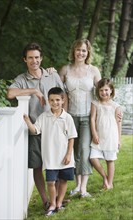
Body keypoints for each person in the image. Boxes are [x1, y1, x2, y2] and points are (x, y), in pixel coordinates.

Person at [7, 43, 65, 210]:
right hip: (35, 129)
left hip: (55, 127)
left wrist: (64, 118)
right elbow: (10, 93)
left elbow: (63, 96)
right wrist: (32, 90)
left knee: (58, 163)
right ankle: (46, 201)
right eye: (30, 58)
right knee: (38, 165)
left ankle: (57, 200)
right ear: (25, 59)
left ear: (41, 58)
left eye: (37, 57)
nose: (34, 61)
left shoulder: (52, 75)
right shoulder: (22, 79)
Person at [23, 87, 77, 216]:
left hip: (65, 156)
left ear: (63, 100)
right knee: (51, 182)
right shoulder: (44, 116)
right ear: (48, 101)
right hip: (50, 157)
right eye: (52, 100)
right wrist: (27, 121)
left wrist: (69, 154)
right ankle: (52, 203)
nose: (55, 103)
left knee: (63, 180)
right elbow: (35, 130)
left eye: (58, 100)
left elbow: (71, 137)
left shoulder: (67, 117)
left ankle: (59, 203)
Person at [59, 38, 101, 198]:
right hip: (70, 117)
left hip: (87, 117)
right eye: (78, 50)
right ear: (73, 51)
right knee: (74, 151)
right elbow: (55, 88)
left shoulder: (93, 71)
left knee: (84, 149)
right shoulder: (65, 69)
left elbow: (102, 91)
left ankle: (84, 188)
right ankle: (77, 186)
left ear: (87, 52)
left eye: (84, 50)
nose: (81, 53)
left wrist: (113, 107)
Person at [90, 78, 122, 190]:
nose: (104, 92)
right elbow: (92, 119)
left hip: (111, 137)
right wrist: (94, 134)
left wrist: (119, 139)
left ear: (111, 90)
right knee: (93, 157)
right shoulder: (95, 104)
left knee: (110, 160)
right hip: (99, 136)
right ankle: (105, 177)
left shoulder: (116, 106)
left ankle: (110, 183)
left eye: (106, 90)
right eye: (101, 90)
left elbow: (119, 123)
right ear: (98, 91)